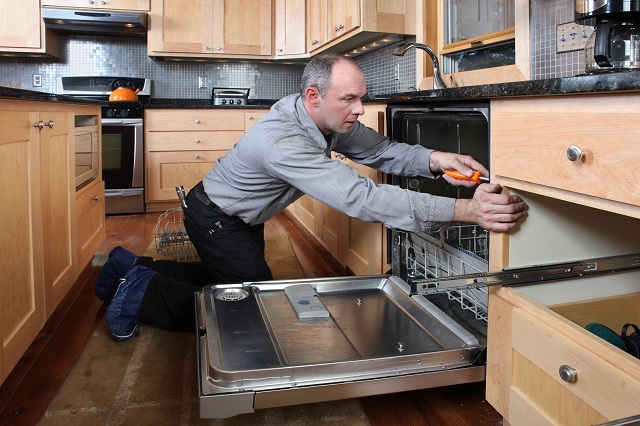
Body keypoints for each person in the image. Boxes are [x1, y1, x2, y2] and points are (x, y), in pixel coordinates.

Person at [96, 54, 528, 341]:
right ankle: (139, 293)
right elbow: (362, 198)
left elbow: (380, 151)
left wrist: (436, 158)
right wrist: (464, 209)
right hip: (216, 218)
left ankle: (127, 266)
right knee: (250, 310)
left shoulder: (325, 118)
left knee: (227, 281)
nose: (359, 109)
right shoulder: (282, 139)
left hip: (239, 218)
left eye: (361, 98)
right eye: (350, 99)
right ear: (313, 96)